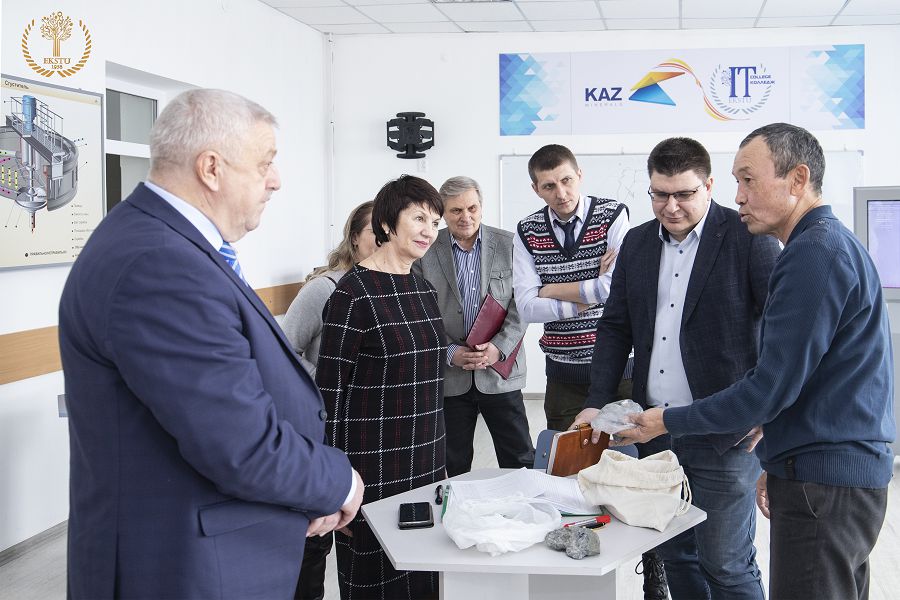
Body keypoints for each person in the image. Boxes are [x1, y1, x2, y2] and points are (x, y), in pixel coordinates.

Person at [58, 89, 363, 599]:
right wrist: (339, 481)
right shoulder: (159, 264)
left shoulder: (169, 246)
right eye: (265, 163)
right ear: (212, 169)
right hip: (181, 569)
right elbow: (238, 442)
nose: (276, 179)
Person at [617, 123, 895, 600]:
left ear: (797, 179)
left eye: (748, 180)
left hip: (822, 480)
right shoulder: (824, 244)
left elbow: (769, 387)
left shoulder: (813, 253)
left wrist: (668, 420)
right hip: (816, 471)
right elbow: (802, 378)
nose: (739, 195)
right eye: (737, 181)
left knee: (729, 565)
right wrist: (780, 457)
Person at [572, 137, 781, 600]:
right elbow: (616, 326)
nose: (670, 206)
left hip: (726, 432)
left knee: (726, 563)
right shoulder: (638, 242)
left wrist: (771, 407)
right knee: (676, 555)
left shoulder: (748, 237)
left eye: (684, 194)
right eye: (659, 194)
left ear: (709, 186)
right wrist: (596, 402)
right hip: (654, 430)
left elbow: (782, 329)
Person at [316, 175, 445, 600]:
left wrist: (441, 466)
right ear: (387, 223)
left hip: (425, 461)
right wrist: (334, 481)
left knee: (426, 575)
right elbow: (329, 395)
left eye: (435, 222)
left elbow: (430, 383)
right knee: (375, 581)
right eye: (419, 218)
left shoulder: (424, 289)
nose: (429, 230)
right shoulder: (352, 294)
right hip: (370, 469)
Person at [283, 199, 376, 600]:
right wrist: (326, 385)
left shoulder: (388, 287)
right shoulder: (324, 288)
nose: (384, 239)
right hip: (323, 429)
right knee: (317, 537)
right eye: (375, 231)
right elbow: (284, 353)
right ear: (354, 238)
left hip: (366, 430)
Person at [412, 176, 535, 477]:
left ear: (481, 207)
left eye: (472, 208)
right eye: (456, 210)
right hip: (450, 376)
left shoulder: (510, 244)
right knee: (453, 464)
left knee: (520, 459)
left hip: (500, 372)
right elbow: (418, 313)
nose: (465, 217)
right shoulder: (425, 250)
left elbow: (522, 305)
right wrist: (449, 352)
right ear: (442, 213)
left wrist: (498, 348)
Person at [513, 144, 630, 432]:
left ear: (579, 174)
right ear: (536, 189)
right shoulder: (527, 230)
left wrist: (550, 290)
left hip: (621, 368)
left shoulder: (612, 215)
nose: (561, 193)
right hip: (564, 375)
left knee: (632, 455)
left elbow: (614, 287)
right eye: (549, 186)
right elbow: (527, 308)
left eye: (566, 180)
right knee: (565, 457)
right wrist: (589, 297)